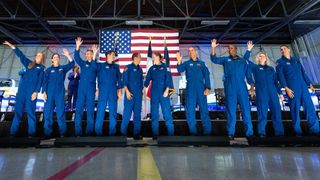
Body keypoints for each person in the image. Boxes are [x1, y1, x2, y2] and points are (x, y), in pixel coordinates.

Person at [210, 39, 254, 139]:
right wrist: (213, 48)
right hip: (230, 90)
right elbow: (214, 59)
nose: (230, 50)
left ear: (236, 49)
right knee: (231, 112)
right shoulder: (226, 60)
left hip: (242, 89)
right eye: (229, 48)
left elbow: (249, 76)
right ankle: (230, 133)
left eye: (231, 48)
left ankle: (249, 133)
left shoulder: (243, 61)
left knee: (246, 111)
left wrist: (252, 87)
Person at [3, 41, 45, 137]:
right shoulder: (29, 64)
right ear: (35, 57)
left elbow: (40, 81)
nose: (38, 57)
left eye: (40, 56)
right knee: (17, 113)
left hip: (31, 94)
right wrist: (11, 45)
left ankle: (31, 134)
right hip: (21, 93)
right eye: (37, 55)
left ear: (42, 59)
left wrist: (36, 92)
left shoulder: (42, 68)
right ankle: (12, 133)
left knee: (31, 114)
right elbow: (20, 55)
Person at [276, 44, 319, 136]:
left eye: (284, 48)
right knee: (295, 110)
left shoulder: (296, 60)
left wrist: (310, 84)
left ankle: (315, 131)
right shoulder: (280, 62)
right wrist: (286, 88)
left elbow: (303, 73)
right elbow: (281, 76)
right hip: (292, 89)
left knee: (310, 108)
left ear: (289, 50)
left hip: (303, 87)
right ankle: (297, 132)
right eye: (281, 50)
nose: (282, 50)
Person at [244, 41, 284, 137]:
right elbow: (245, 60)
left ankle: (280, 134)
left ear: (266, 58)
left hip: (273, 93)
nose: (261, 57)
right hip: (262, 94)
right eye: (260, 56)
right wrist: (248, 50)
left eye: (263, 56)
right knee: (262, 115)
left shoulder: (271, 69)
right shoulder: (255, 67)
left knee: (277, 114)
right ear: (258, 58)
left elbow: (276, 82)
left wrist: (280, 93)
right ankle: (262, 133)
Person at [176, 47, 212, 136]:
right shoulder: (187, 63)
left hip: (201, 90)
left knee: (204, 111)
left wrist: (208, 87)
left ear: (195, 52)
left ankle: (207, 134)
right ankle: (193, 133)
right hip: (190, 90)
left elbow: (207, 75)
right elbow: (180, 70)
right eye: (189, 51)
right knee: (190, 112)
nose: (190, 52)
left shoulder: (202, 64)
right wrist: (179, 61)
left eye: (192, 50)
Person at [42, 49, 74, 137]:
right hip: (49, 93)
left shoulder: (62, 68)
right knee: (47, 113)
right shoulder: (48, 70)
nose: (56, 58)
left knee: (60, 113)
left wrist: (68, 55)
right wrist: (44, 92)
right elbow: (44, 82)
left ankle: (63, 133)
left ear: (59, 59)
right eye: (54, 57)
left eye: (57, 57)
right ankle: (47, 133)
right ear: (52, 60)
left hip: (59, 93)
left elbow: (72, 64)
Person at [144, 52, 175, 138]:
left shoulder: (165, 67)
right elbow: (147, 80)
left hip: (164, 93)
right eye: (153, 57)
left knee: (167, 114)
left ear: (159, 57)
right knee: (154, 115)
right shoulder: (151, 68)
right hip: (154, 94)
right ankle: (155, 135)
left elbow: (169, 79)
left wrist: (167, 90)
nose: (153, 58)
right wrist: (143, 88)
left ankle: (171, 135)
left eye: (154, 57)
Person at [73, 37, 98, 136]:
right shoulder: (83, 64)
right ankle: (78, 133)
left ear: (92, 55)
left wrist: (95, 55)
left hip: (91, 90)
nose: (87, 55)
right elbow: (77, 58)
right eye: (86, 54)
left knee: (90, 111)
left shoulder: (95, 64)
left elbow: (95, 67)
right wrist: (77, 47)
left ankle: (89, 133)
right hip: (82, 90)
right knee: (78, 110)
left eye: (89, 54)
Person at [95, 50, 122, 136]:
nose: (114, 56)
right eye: (113, 55)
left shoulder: (116, 67)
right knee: (100, 112)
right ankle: (98, 133)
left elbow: (119, 79)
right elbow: (94, 74)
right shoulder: (101, 65)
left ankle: (112, 133)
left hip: (113, 90)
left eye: (114, 55)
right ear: (108, 56)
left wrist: (120, 90)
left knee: (113, 112)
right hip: (102, 90)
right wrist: (97, 89)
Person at [120, 53, 144, 139]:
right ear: (135, 58)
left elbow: (141, 83)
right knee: (127, 114)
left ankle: (136, 134)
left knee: (137, 115)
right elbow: (124, 81)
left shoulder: (140, 70)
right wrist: (126, 91)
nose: (140, 59)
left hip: (138, 96)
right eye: (139, 57)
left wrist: (142, 92)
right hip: (129, 94)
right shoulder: (128, 68)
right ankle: (122, 134)